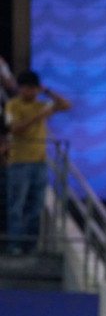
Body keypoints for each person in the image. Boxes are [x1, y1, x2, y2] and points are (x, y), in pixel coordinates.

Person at [5, 70, 70, 253]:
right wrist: (38, 117)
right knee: (16, 205)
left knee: (36, 206)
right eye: (27, 89)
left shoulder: (41, 103)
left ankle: (31, 244)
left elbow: (65, 105)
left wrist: (47, 91)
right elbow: (14, 128)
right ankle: (14, 244)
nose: (31, 93)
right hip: (19, 162)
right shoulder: (13, 105)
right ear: (20, 88)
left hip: (39, 162)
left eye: (34, 89)